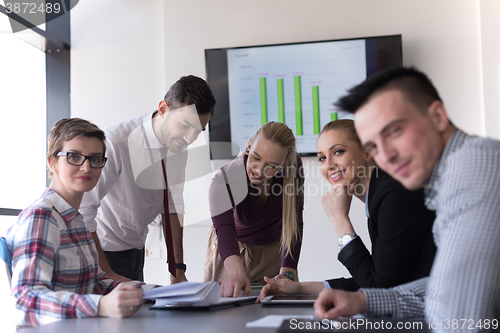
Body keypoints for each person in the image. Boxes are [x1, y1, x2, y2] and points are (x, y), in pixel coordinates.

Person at [314, 67, 500, 332]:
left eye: (394, 131)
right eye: (373, 146)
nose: (385, 156)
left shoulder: (473, 168)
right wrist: (363, 300)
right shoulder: (448, 180)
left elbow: (457, 320)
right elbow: (441, 287)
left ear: (437, 116)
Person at [258, 119, 435, 300]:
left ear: (367, 152)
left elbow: (380, 289)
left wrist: (340, 220)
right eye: (322, 158)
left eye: (338, 152)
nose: (329, 165)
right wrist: (300, 288)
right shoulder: (382, 193)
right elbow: (377, 277)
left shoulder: (394, 195)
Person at [6, 118, 144, 327]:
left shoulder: (75, 218)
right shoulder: (41, 217)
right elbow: (25, 301)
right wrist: (99, 306)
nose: (86, 167)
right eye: (75, 157)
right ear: (52, 162)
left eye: (95, 159)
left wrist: (153, 292)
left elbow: (96, 284)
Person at [80, 75, 216, 283]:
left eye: (198, 131)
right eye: (185, 125)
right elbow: (85, 210)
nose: (190, 138)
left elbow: (172, 207)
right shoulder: (116, 142)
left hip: (136, 251)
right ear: (163, 109)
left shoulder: (179, 147)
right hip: (102, 253)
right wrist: (105, 271)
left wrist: (177, 271)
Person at [204, 121, 304, 297]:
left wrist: (288, 272)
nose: (259, 170)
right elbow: (225, 229)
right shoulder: (224, 180)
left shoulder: (294, 167)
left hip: (271, 251)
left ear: (285, 163)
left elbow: (294, 221)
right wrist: (235, 273)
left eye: (272, 166)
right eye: (256, 158)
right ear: (249, 145)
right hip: (230, 250)